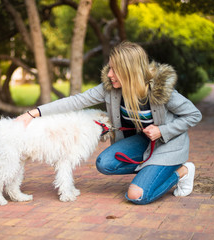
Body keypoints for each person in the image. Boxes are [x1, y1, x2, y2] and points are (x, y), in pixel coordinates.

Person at [16, 41, 202, 205]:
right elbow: (75, 101)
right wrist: (33, 113)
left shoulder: (160, 90)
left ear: (129, 71)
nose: (109, 74)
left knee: (137, 195)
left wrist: (163, 130)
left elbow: (194, 115)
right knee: (105, 163)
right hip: (143, 142)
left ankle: (182, 171)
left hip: (167, 145)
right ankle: (151, 170)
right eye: (110, 68)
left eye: (114, 70)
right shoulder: (110, 89)